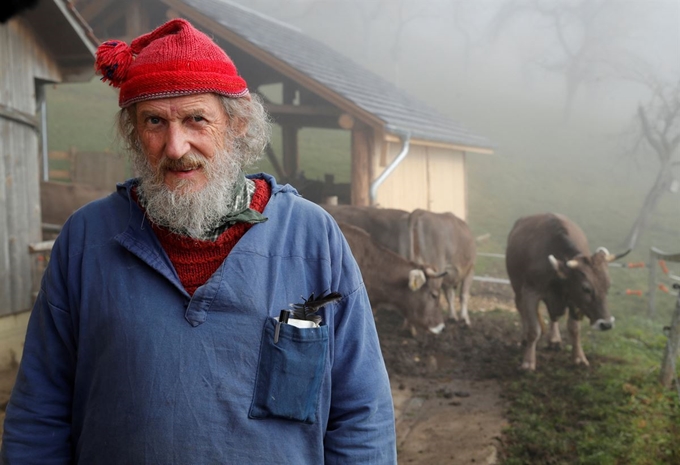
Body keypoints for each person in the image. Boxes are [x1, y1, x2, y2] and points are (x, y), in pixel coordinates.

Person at [1, 18, 396, 464]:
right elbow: (39, 414)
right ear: (134, 133)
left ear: (236, 125)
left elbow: (362, 414)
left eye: (196, 119)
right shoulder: (87, 239)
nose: (175, 146)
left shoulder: (311, 237)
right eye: (154, 121)